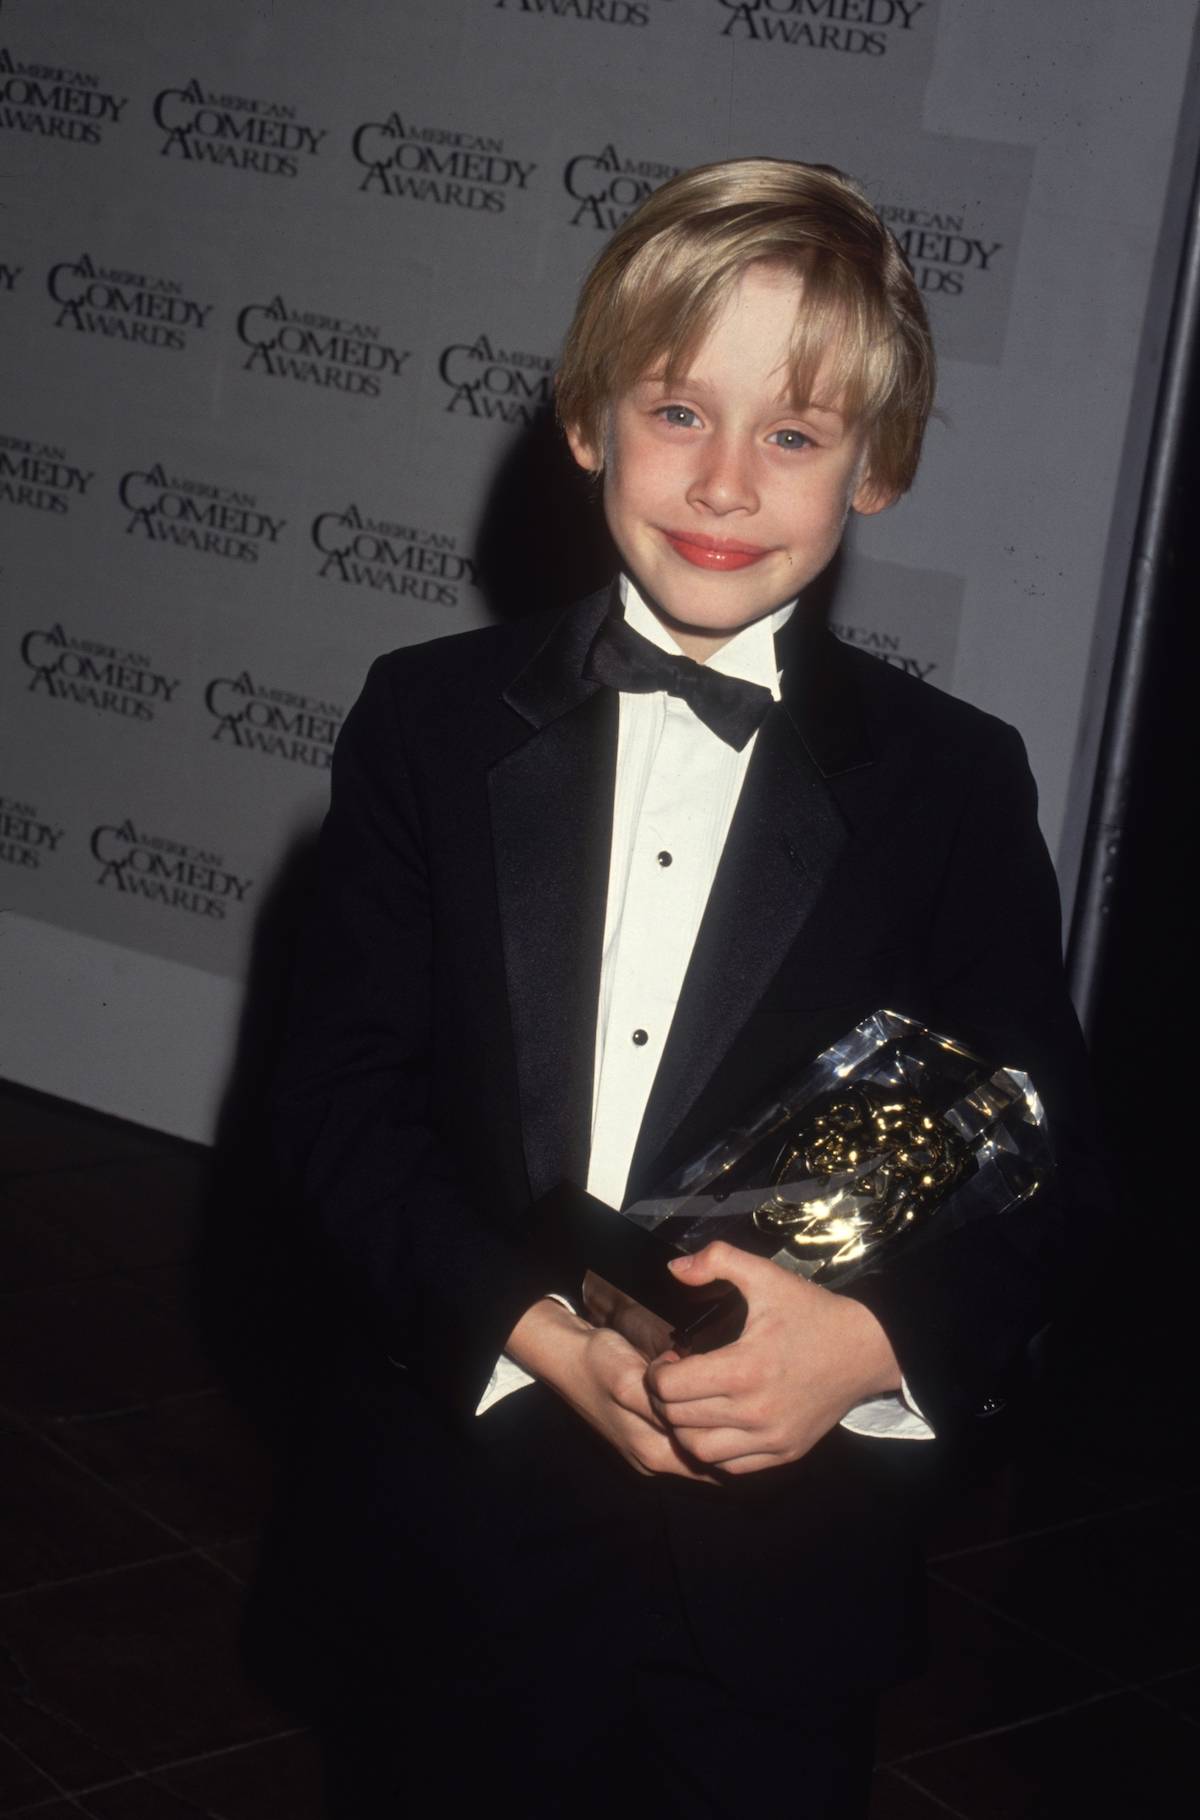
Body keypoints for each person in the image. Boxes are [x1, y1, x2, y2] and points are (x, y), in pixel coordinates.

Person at [258, 160, 1106, 1816]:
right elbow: (331, 1109)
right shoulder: (427, 725)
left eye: (794, 435)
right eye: (676, 412)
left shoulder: (952, 783)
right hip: (459, 1533)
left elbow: (1051, 1163)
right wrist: (536, 1340)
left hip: (775, 1594)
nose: (726, 482)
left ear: (878, 466)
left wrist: (866, 1347)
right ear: (587, 425)